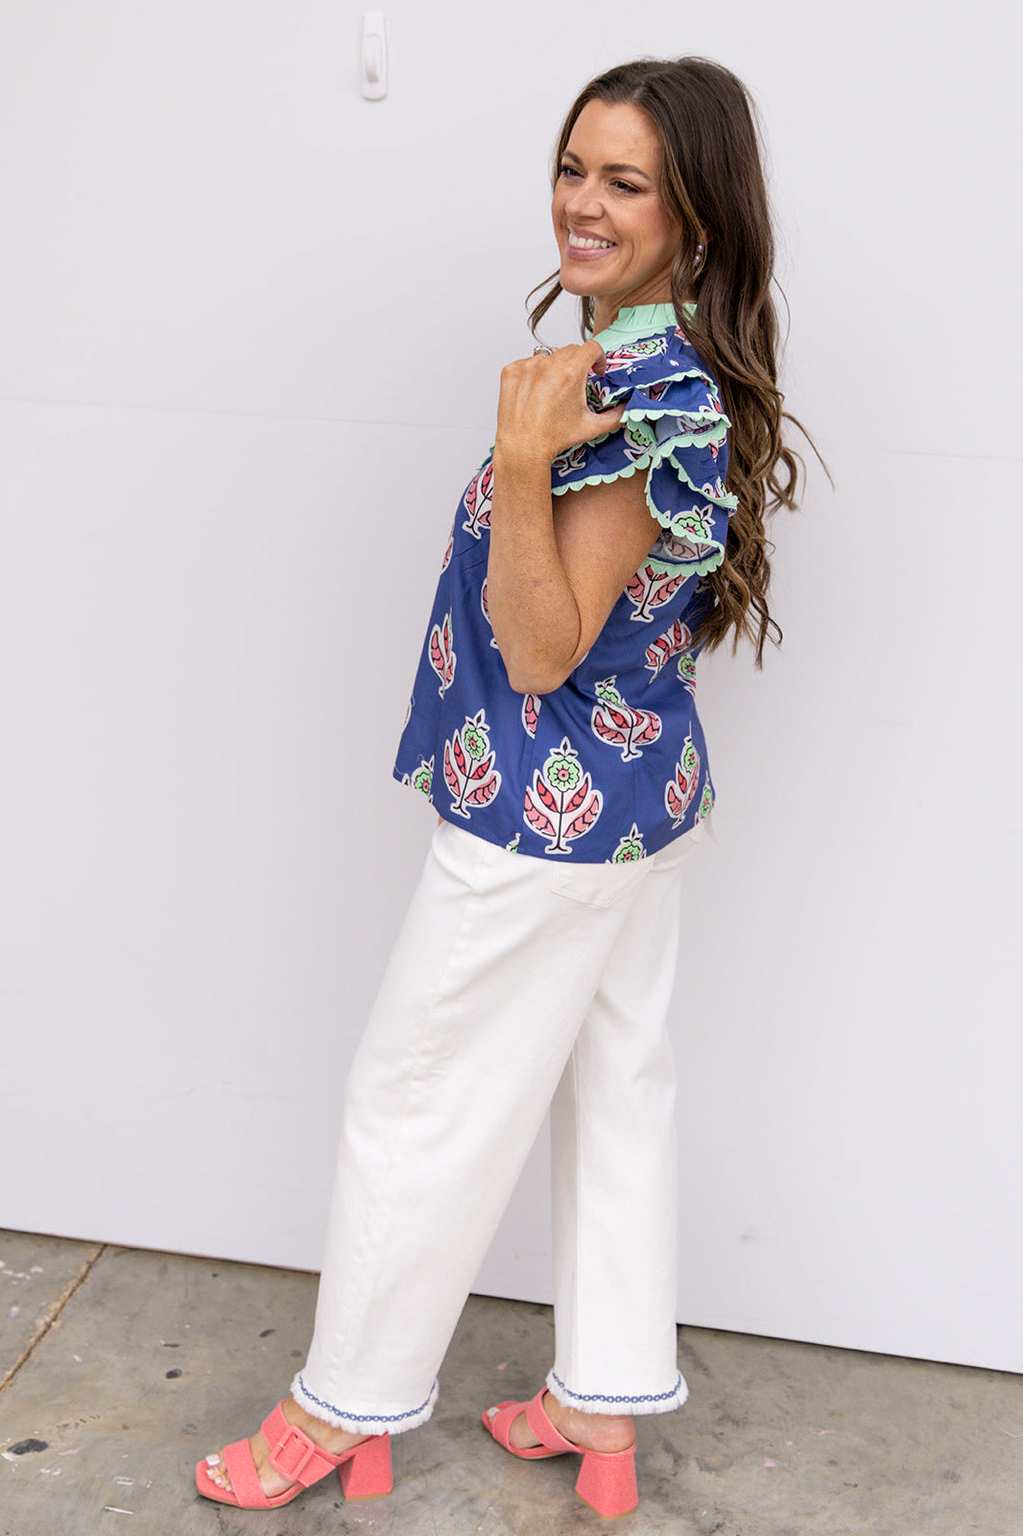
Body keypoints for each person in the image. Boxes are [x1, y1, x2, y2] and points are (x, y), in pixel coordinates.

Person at [195, 56, 803, 1520]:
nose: (582, 204)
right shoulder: (650, 369)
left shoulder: (632, 400)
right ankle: (602, 1406)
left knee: (413, 1095)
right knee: (614, 1089)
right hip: (640, 802)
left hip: (545, 821)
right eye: (572, 168)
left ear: (697, 217)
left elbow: (539, 650)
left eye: (626, 183)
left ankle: (337, 1410)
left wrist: (524, 457)